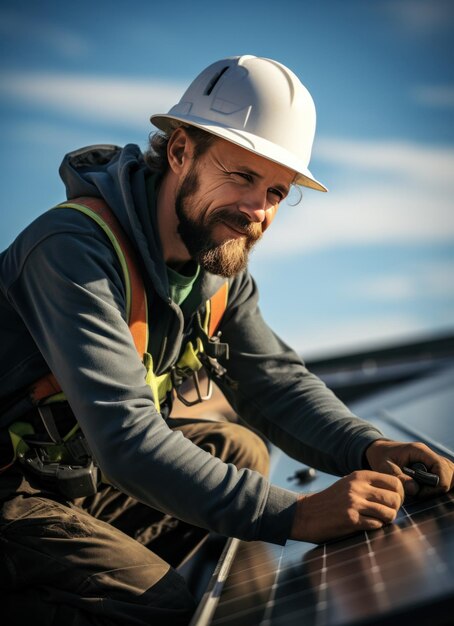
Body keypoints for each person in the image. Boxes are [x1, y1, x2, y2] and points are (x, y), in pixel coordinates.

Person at [0, 54, 452, 625]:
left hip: (65, 475)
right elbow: (125, 438)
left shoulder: (215, 273)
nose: (256, 210)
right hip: (10, 490)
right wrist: (297, 516)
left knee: (240, 450)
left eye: (277, 192)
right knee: (151, 602)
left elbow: (275, 384)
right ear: (180, 150)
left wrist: (368, 447)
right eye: (241, 176)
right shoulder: (72, 249)